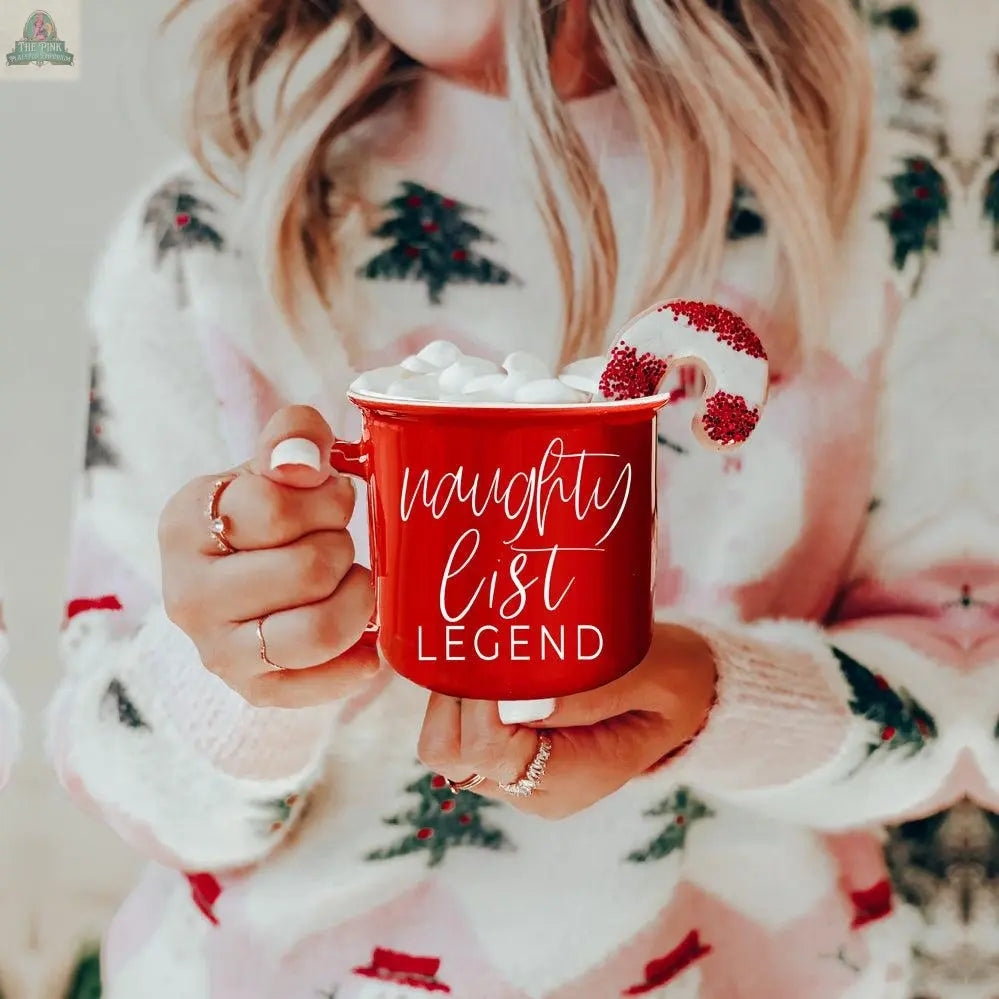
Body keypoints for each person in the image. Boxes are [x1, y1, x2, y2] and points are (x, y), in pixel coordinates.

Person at [47, 0, 993, 995]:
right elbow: (123, 782)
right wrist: (236, 684)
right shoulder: (204, 242)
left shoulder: (893, 225)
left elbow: (960, 714)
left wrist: (713, 698)